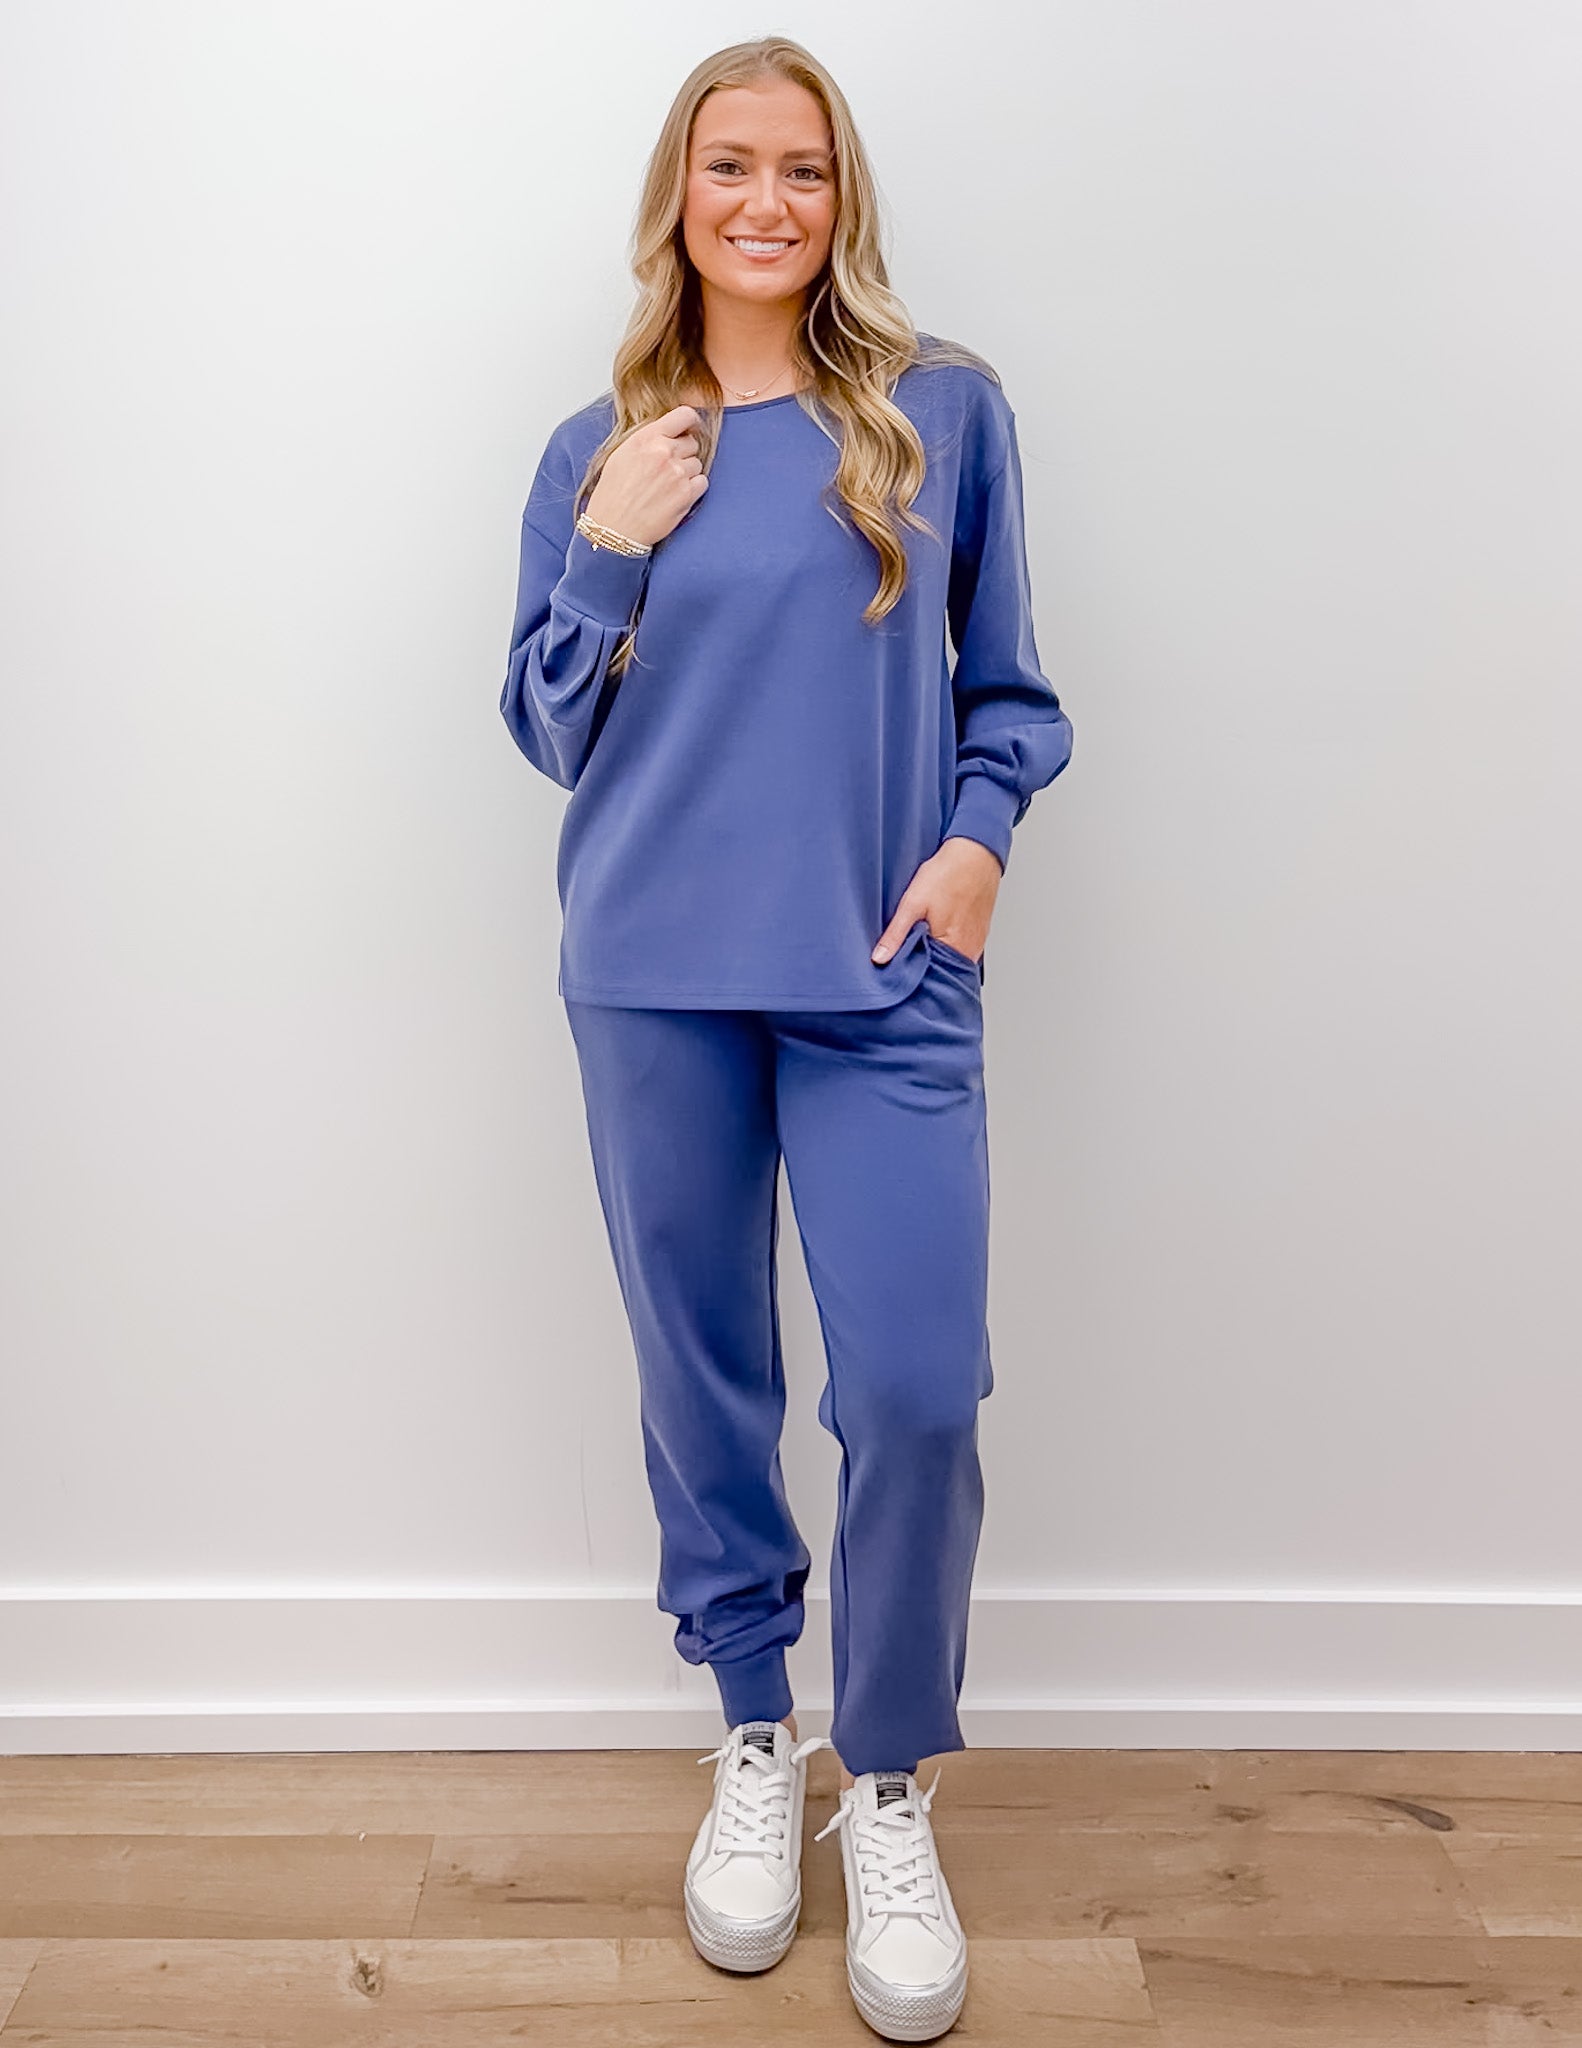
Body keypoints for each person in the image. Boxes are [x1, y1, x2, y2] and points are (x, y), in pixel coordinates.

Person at [500, 36, 1073, 2044]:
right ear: (678, 194)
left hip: (881, 970)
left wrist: (977, 844)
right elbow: (544, 726)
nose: (765, 202)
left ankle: (884, 1778)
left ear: (843, 200)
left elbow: (1009, 692)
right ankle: (753, 1730)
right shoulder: (600, 447)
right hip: (648, 969)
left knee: (911, 1388)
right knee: (705, 1378)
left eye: (803, 171)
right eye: (729, 165)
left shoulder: (940, 414)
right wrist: (609, 538)